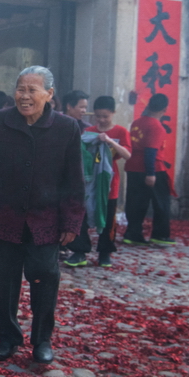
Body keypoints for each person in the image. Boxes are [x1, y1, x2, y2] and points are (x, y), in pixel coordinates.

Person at [0, 66, 83, 367]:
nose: (25, 96)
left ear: (50, 95)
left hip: (46, 221)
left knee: (46, 277)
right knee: (1, 284)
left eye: (33, 90)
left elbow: (74, 180)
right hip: (3, 216)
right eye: (20, 88)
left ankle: (42, 340)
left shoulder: (67, 128)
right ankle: (8, 337)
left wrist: (72, 222)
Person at [83, 96, 132, 267]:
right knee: (83, 214)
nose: (102, 120)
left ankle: (105, 252)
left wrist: (110, 142)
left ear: (113, 113)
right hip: (90, 179)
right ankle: (80, 250)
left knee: (109, 217)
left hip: (110, 180)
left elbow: (127, 155)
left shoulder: (120, 132)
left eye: (105, 116)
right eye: (98, 116)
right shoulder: (89, 131)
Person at [124, 93, 175, 246]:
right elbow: (150, 151)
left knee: (135, 202)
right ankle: (160, 235)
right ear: (165, 109)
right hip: (152, 169)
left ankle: (132, 233)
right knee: (161, 202)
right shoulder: (156, 126)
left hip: (133, 167)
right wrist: (151, 173)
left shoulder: (137, 122)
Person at [60, 90, 91, 266]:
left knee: (78, 212)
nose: (84, 110)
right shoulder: (56, 124)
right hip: (55, 177)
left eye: (86, 107)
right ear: (69, 106)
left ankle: (80, 251)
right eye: (81, 107)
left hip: (77, 176)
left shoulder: (86, 128)